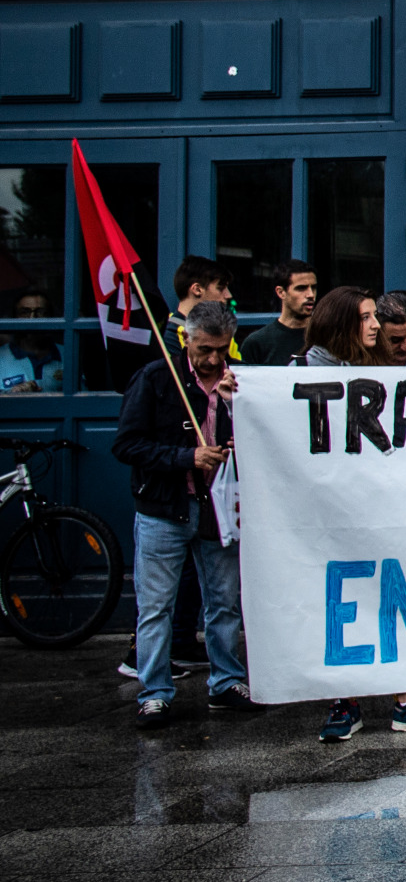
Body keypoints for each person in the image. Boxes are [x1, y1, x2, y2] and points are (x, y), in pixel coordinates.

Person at [291, 289, 406, 739]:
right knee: (343, 599)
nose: (374, 325)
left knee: (391, 593)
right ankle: (344, 702)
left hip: (380, 506)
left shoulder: (386, 370)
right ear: (341, 323)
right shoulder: (300, 372)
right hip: (330, 511)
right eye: (365, 317)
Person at [113, 301, 259, 729]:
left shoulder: (240, 379)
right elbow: (126, 445)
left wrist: (236, 408)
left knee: (224, 602)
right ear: (187, 340)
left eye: (221, 348)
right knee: (156, 606)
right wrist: (186, 457)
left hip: (219, 510)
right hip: (165, 509)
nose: (213, 359)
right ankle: (155, 692)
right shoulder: (157, 378)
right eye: (204, 349)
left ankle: (226, 682)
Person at [236, 259, 318, 365]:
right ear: (281, 292)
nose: (310, 294)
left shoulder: (327, 338)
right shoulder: (257, 343)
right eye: (301, 288)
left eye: (314, 287)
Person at [2, 291, 62, 394]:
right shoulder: (1, 357)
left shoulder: (67, 353)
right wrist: (11, 394)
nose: (32, 318)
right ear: (15, 317)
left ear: (50, 317)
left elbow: (82, 398)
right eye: (25, 312)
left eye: (41, 312)